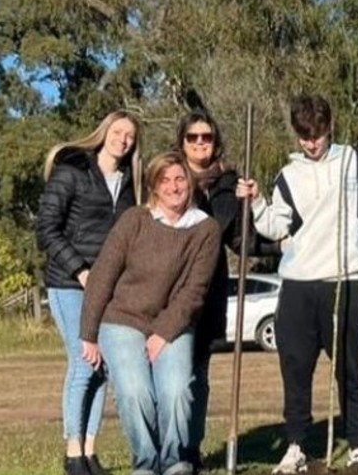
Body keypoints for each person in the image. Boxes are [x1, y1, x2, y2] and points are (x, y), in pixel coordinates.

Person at [236, 95, 358, 473]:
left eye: (317, 134)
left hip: (344, 281)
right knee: (296, 370)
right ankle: (296, 445)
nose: (311, 143)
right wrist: (255, 202)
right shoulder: (288, 175)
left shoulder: (356, 161)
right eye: (305, 136)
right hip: (299, 286)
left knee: (349, 370)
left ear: (329, 126)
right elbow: (274, 226)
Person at [79, 152, 222, 475]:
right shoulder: (134, 220)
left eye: (180, 179)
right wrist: (88, 332)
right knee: (134, 391)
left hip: (173, 321)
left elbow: (194, 291)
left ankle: (174, 461)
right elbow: (103, 275)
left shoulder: (205, 229)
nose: (173, 187)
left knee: (176, 390)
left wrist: (164, 332)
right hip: (123, 319)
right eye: (165, 180)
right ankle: (146, 462)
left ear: (190, 183)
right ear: (154, 187)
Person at [36, 110, 143, 475]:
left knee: (103, 368)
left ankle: (90, 451)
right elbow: (47, 229)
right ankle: (72, 453)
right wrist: (80, 270)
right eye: (118, 131)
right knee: (83, 362)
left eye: (129, 135)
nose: (123, 139)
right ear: (105, 132)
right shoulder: (74, 171)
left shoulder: (130, 184)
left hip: (109, 288)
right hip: (70, 284)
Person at [174, 109, 278, 471]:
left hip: (209, 288)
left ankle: (190, 450)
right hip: (169, 288)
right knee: (173, 375)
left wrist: (282, 239)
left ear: (216, 142)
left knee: (197, 376)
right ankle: (169, 447)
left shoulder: (229, 183)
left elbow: (241, 240)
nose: (201, 143)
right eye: (193, 137)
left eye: (207, 137)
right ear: (182, 142)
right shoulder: (169, 176)